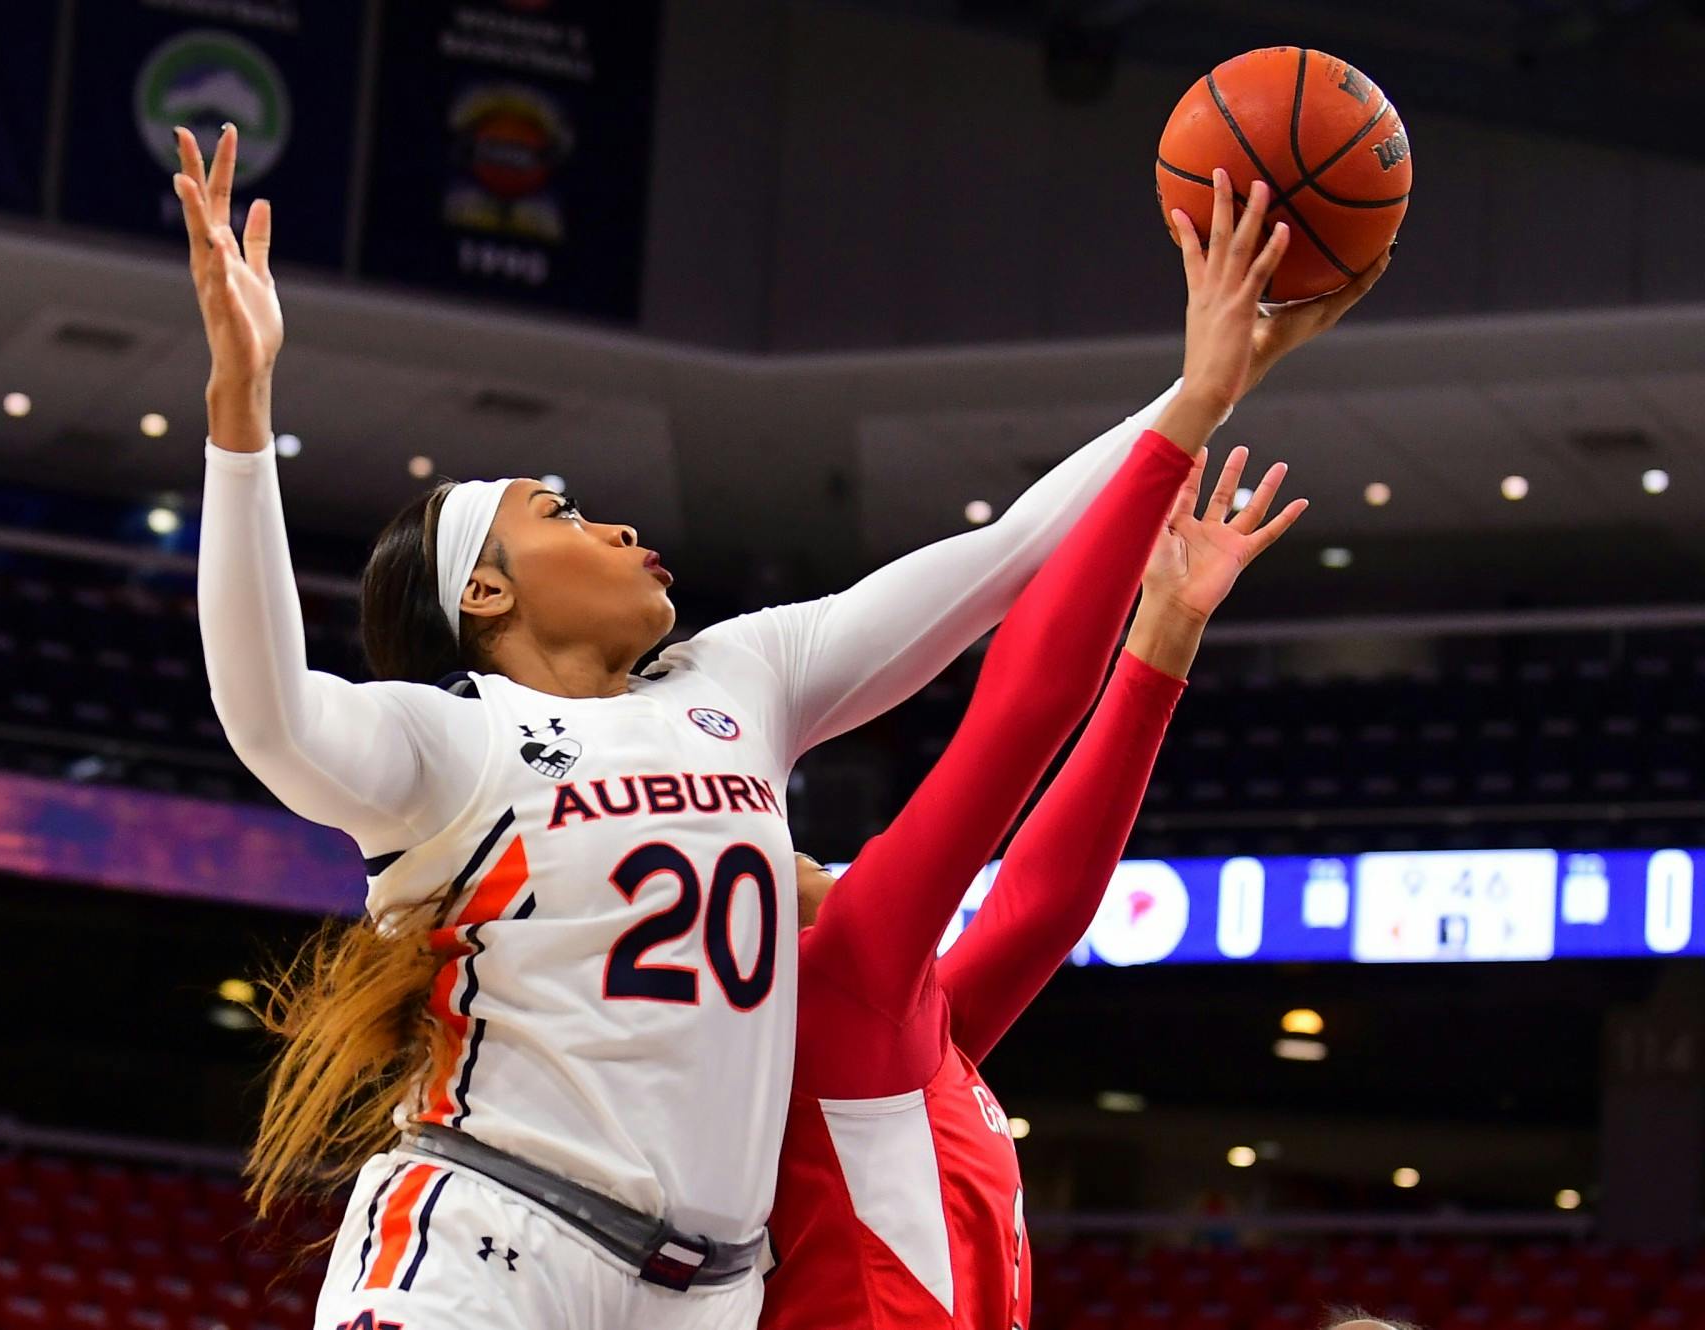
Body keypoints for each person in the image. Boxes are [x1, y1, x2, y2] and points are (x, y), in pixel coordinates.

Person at [175, 114, 1361, 1330]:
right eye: (559, 511)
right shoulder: (450, 742)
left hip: (710, 1293)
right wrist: (240, 405)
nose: (617, 526)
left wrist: (1208, 385)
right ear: (482, 589)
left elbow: (1005, 557)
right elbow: (266, 716)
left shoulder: (731, 678)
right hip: (495, 1235)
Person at [762, 428, 1314, 1328]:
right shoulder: (836, 988)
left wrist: (1168, 625)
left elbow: (1045, 902)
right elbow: (1022, 714)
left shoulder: (913, 1027)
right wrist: (1190, 412)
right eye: (798, 855)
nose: (816, 857)